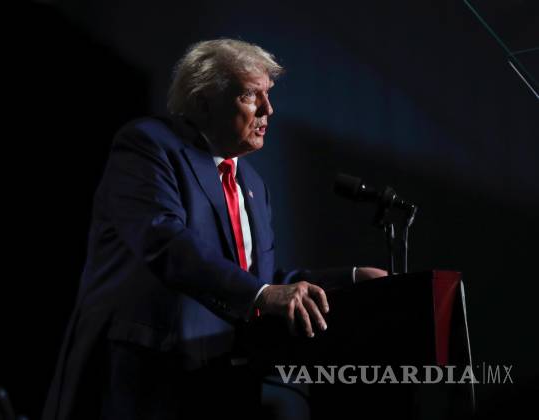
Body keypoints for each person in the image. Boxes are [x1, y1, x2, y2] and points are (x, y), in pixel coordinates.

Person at [42, 39, 386, 420]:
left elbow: (260, 281)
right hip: (146, 376)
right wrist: (263, 293)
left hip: (223, 382)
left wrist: (351, 281)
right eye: (250, 95)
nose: (268, 110)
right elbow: (167, 242)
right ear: (204, 102)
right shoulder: (149, 146)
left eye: (268, 94)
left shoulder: (252, 184)